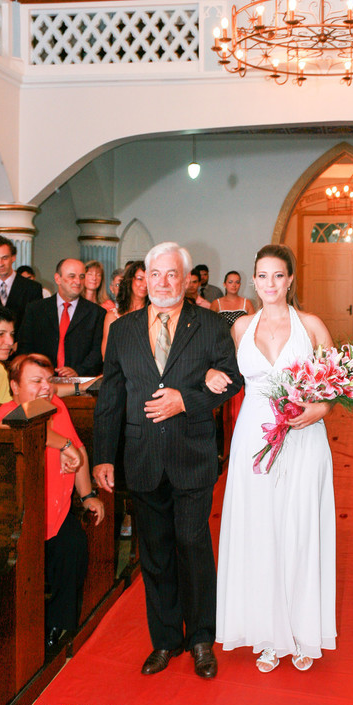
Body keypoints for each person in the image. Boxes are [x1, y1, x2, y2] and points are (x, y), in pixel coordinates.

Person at [93, 242, 242, 679]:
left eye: (171, 274)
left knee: (193, 546)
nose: (162, 282)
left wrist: (186, 401)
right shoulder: (123, 330)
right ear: (145, 279)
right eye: (154, 274)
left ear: (185, 279)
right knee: (155, 553)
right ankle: (165, 641)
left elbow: (231, 380)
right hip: (141, 456)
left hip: (191, 454)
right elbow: (110, 398)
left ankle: (200, 639)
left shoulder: (211, 325)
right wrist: (103, 456)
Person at [212, 244, 336, 673]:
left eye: (278, 276)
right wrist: (210, 374)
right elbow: (220, 373)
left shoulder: (313, 325)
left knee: (300, 530)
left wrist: (319, 409)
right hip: (253, 436)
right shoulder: (239, 327)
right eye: (262, 276)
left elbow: (334, 386)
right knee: (260, 530)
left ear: (290, 280)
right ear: (253, 279)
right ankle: (267, 633)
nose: (270, 284)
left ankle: (302, 631)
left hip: (303, 436)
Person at [0, 354, 104, 649]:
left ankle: (56, 626)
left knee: (74, 548)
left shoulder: (58, 406)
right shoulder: (3, 415)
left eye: (48, 381)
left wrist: (88, 495)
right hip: (23, 517)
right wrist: (65, 447)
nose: (45, 388)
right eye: (36, 381)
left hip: (58, 509)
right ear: (14, 386)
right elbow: (27, 427)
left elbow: (79, 450)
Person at [18, 258, 106, 377]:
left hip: (80, 385)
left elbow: (97, 352)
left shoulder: (97, 313)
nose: (78, 281)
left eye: (81, 276)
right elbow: (25, 348)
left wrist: (78, 372)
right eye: (72, 276)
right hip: (41, 381)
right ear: (57, 279)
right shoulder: (35, 310)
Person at [0, 236, 43, 335]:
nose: (0, 264)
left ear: (13, 257)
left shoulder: (32, 288)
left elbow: (36, 323)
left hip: (22, 347)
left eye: (4, 258)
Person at [101, 260, 148, 357]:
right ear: (130, 280)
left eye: (148, 279)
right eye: (140, 279)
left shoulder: (154, 313)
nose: (145, 284)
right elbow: (106, 355)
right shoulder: (113, 316)